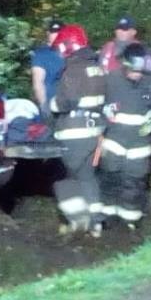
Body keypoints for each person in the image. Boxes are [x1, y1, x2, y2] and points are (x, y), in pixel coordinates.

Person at [100, 43, 151, 229]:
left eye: (139, 71)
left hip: (140, 144)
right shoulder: (111, 81)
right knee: (110, 177)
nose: (136, 74)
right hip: (114, 140)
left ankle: (130, 220)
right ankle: (108, 217)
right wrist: (105, 117)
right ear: (124, 64)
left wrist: (148, 126)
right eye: (133, 70)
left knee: (133, 181)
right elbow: (101, 106)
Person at [48, 24, 107, 237]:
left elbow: (66, 102)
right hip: (95, 131)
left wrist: (52, 104)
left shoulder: (73, 69)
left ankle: (78, 219)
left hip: (74, 133)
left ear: (69, 45)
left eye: (61, 46)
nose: (60, 52)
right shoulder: (97, 67)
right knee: (88, 177)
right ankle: (96, 224)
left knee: (65, 179)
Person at [30, 19, 66, 117]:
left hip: (68, 105)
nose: (57, 35)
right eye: (54, 32)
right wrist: (44, 105)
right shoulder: (41, 54)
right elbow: (38, 82)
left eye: (60, 32)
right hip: (51, 105)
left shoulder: (69, 52)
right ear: (48, 33)